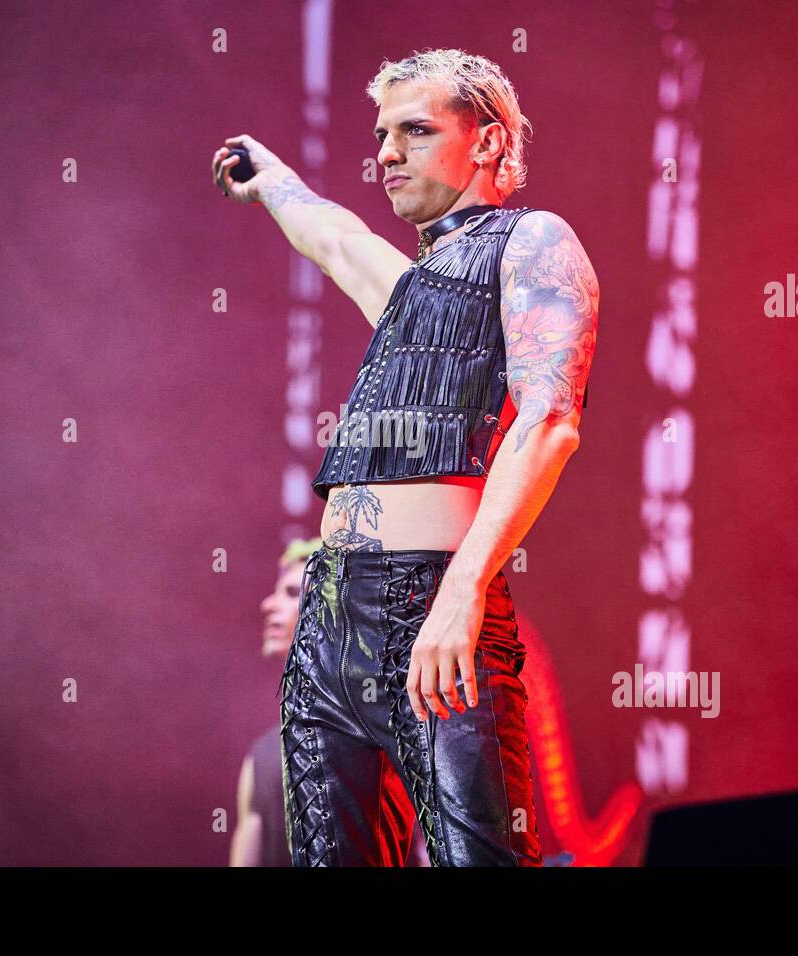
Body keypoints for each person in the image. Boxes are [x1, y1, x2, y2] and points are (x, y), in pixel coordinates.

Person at [211, 48, 598, 867]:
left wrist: (462, 592)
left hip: (432, 598)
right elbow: (337, 239)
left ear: (490, 143)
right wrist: (272, 177)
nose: (386, 153)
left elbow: (551, 421)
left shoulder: (529, 241)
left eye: (415, 132)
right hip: (328, 621)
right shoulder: (411, 290)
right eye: (382, 134)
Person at [229, 538, 429, 866]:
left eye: (292, 593)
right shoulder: (262, 758)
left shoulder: (391, 732)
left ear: (330, 608)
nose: (268, 604)